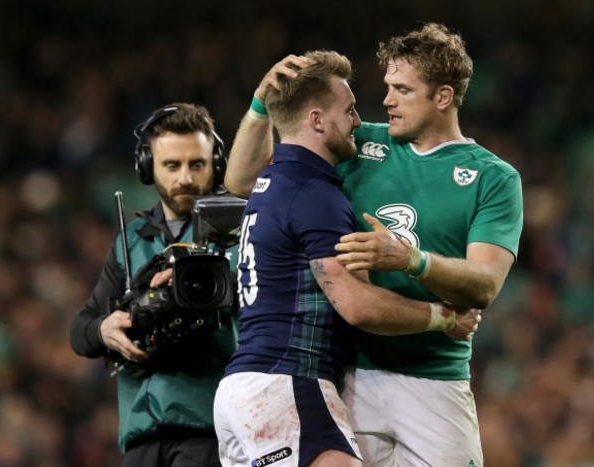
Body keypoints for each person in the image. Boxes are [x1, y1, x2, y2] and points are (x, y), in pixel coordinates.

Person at [223, 23, 523, 467]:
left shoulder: (494, 178)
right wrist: (258, 107)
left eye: (402, 89)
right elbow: (245, 181)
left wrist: (411, 260)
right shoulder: (360, 144)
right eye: (387, 87)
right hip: (351, 374)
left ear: (442, 97)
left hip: (435, 378)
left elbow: (484, 285)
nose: (386, 100)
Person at [69, 102, 237, 467]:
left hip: (213, 425)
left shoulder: (240, 230)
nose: (186, 178)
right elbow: (80, 331)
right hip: (143, 434)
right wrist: (105, 329)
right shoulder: (130, 241)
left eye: (197, 164)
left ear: (217, 164)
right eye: (171, 166)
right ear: (148, 168)